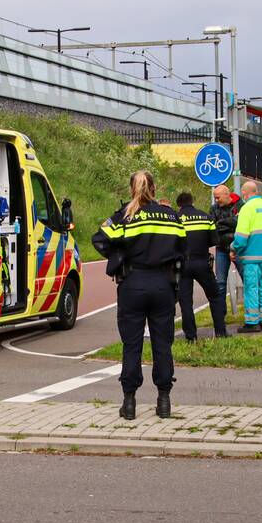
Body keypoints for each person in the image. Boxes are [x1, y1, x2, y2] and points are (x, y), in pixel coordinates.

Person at [92, 170, 186, 420]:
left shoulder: (125, 215)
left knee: (131, 344)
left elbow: (99, 240)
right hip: (163, 285)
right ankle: (164, 400)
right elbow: (183, 248)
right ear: (154, 189)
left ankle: (129, 401)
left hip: (133, 284)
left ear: (131, 189)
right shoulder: (171, 216)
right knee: (163, 344)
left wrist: (119, 257)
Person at [175, 191, 227, 341]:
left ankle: (191, 337)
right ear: (192, 202)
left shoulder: (176, 219)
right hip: (202, 262)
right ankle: (220, 332)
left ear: (179, 205)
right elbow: (214, 240)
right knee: (215, 297)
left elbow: (172, 241)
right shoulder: (205, 217)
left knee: (186, 302)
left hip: (183, 264)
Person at [231, 180, 262, 333]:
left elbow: (241, 237)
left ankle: (252, 322)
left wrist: (233, 248)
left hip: (251, 258)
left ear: (244, 193)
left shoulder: (246, 208)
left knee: (251, 288)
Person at [209, 184, 242, 314]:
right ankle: (220, 314)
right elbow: (213, 227)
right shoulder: (214, 208)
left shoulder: (240, 205)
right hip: (221, 248)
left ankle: (251, 312)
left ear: (227, 195)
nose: (216, 200)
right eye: (215, 198)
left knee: (246, 278)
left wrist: (222, 223)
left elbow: (240, 224)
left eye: (218, 197)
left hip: (238, 247)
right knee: (220, 282)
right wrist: (230, 223)